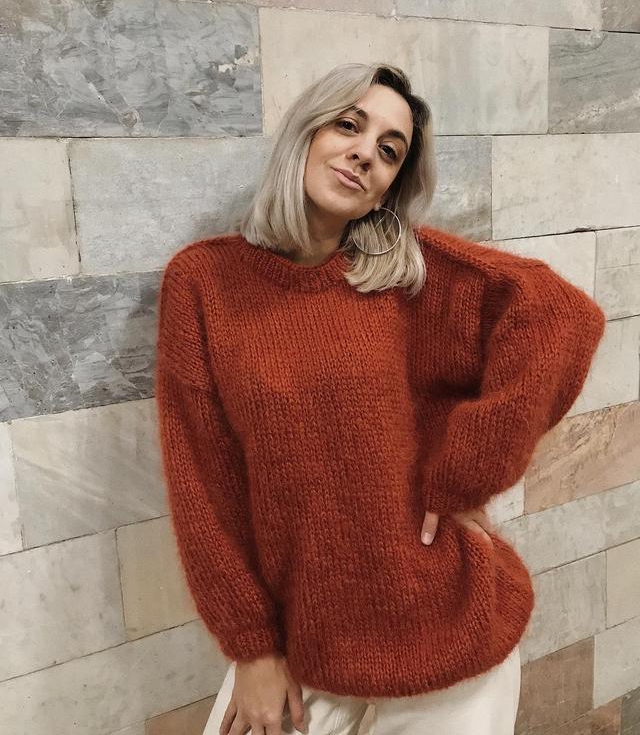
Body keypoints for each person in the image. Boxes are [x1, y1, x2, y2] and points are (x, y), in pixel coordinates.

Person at [154, 62, 606, 735]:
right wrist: (251, 649)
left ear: (388, 188)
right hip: (303, 645)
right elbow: (203, 484)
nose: (366, 152)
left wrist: (465, 473)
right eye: (349, 125)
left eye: (390, 151)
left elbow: (562, 316)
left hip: (449, 633)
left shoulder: (410, 276)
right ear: (306, 132)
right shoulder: (204, 282)